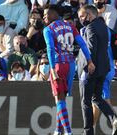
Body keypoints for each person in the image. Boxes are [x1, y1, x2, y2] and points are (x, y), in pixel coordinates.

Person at [42, 4, 94, 135]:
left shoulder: (48, 29)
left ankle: (68, 132)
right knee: (62, 99)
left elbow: (50, 48)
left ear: (54, 14)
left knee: (59, 99)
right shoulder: (70, 26)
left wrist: (53, 69)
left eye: (46, 14)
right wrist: (89, 60)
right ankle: (58, 130)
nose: (44, 17)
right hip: (71, 65)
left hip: (59, 64)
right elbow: (82, 43)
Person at [77, 5, 117, 135]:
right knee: (97, 98)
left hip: (91, 69)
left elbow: (91, 48)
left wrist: (88, 64)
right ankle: (114, 118)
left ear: (90, 15)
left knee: (85, 102)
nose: (80, 19)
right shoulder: (104, 27)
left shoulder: (90, 27)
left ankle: (88, 132)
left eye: (82, 16)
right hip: (103, 68)